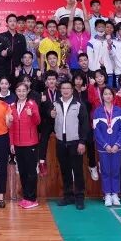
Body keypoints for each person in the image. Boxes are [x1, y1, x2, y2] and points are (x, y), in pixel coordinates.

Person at [52, 79, 90, 210]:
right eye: (63, 88)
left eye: (68, 88)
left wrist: (82, 142)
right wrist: (50, 114)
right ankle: (68, 196)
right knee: (65, 170)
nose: (65, 90)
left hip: (75, 142)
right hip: (60, 142)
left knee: (77, 170)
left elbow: (85, 124)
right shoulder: (55, 103)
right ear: (60, 90)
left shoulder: (79, 104)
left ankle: (79, 197)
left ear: (72, 90)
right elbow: (50, 120)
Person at [9, 82, 41, 209]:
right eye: (19, 90)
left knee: (31, 171)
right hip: (17, 144)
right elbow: (11, 127)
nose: (21, 93)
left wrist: (32, 114)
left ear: (27, 91)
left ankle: (32, 198)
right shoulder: (12, 106)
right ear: (16, 92)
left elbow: (38, 121)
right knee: (22, 171)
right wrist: (12, 143)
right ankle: (26, 197)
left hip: (31, 143)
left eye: (23, 90)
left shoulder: (32, 104)